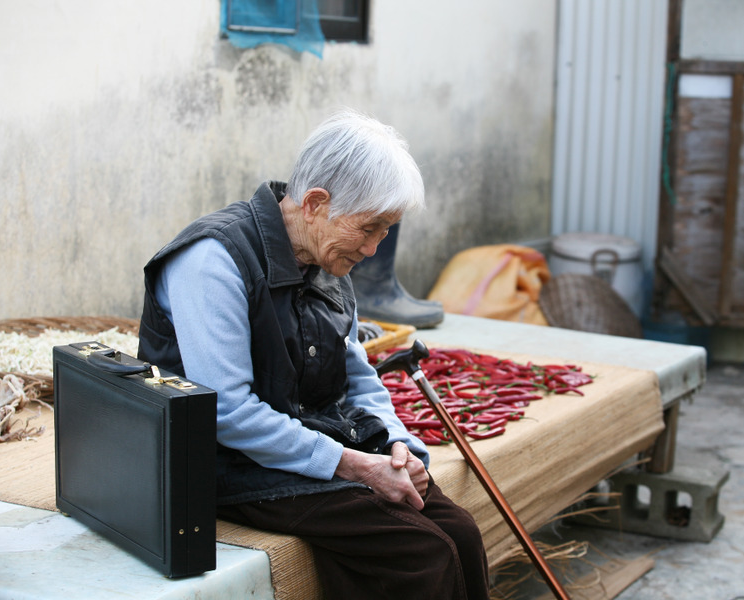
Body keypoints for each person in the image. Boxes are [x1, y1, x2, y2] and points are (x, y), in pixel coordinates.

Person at [137, 109, 490, 599]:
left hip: (312, 441)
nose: (372, 249)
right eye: (369, 228)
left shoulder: (328, 258)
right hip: (230, 465)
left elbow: (358, 374)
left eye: (386, 230)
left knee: (462, 533)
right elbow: (228, 411)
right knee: (419, 552)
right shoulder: (213, 259)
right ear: (316, 203)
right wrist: (350, 463)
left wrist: (397, 445)